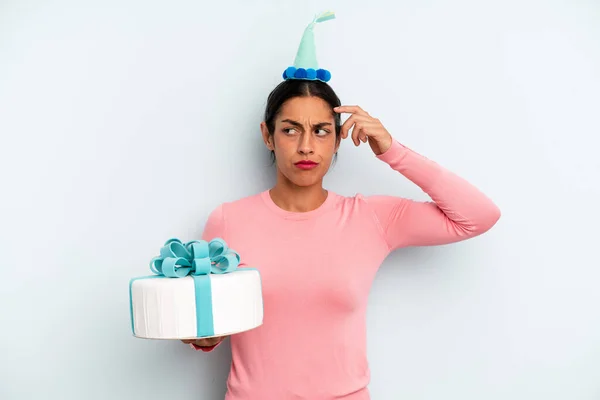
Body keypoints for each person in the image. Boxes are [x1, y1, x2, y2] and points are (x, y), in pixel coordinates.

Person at [182, 11, 500, 400]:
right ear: (268, 135)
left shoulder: (371, 218)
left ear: (337, 139)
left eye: (320, 131)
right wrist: (202, 337)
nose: (305, 146)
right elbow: (211, 328)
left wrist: (393, 151)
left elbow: (478, 216)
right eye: (290, 130)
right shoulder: (228, 221)